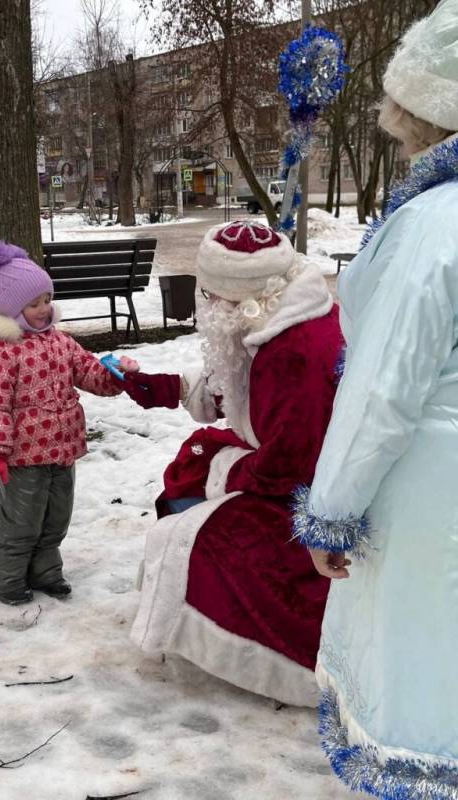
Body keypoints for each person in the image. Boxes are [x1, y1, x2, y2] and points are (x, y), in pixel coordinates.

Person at [292, 1, 458, 795]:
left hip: (433, 497)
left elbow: (385, 389)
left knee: (427, 692)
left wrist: (332, 509)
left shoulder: (434, 225)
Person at [124, 220, 344, 707]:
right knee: (194, 460)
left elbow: (288, 468)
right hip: (292, 469)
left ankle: (264, 653)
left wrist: (221, 469)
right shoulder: (276, 313)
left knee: (196, 529)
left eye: (209, 294)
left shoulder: (296, 354)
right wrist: (167, 388)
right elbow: (234, 377)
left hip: (317, 500)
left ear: (235, 297)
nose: (205, 304)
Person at [0, 240, 138, 606]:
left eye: (47, 299)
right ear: (13, 309)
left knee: (56, 518)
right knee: (21, 521)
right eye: (34, 304)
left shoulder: (60, 342)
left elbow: (89, 371)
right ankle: (4, 579)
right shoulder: (3, 350)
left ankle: (45, 572)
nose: (44, 309)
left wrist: (115, 375)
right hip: (23, 455)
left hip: (62, 449)